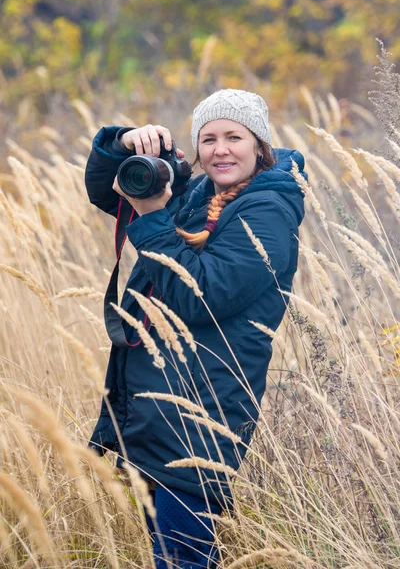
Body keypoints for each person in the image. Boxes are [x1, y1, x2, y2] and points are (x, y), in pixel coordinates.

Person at [85, 89, 306, 568]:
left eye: (234, 137)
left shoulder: (267, 210)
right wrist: (125, 146)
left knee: (183, 560)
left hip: (201, 414)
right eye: (209, 139)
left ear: (260, 145)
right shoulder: (200, 193)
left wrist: (152, 218)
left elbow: (199, 294)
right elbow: (111, 192)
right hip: (160, 407)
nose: (220, 149)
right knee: (173, 556)